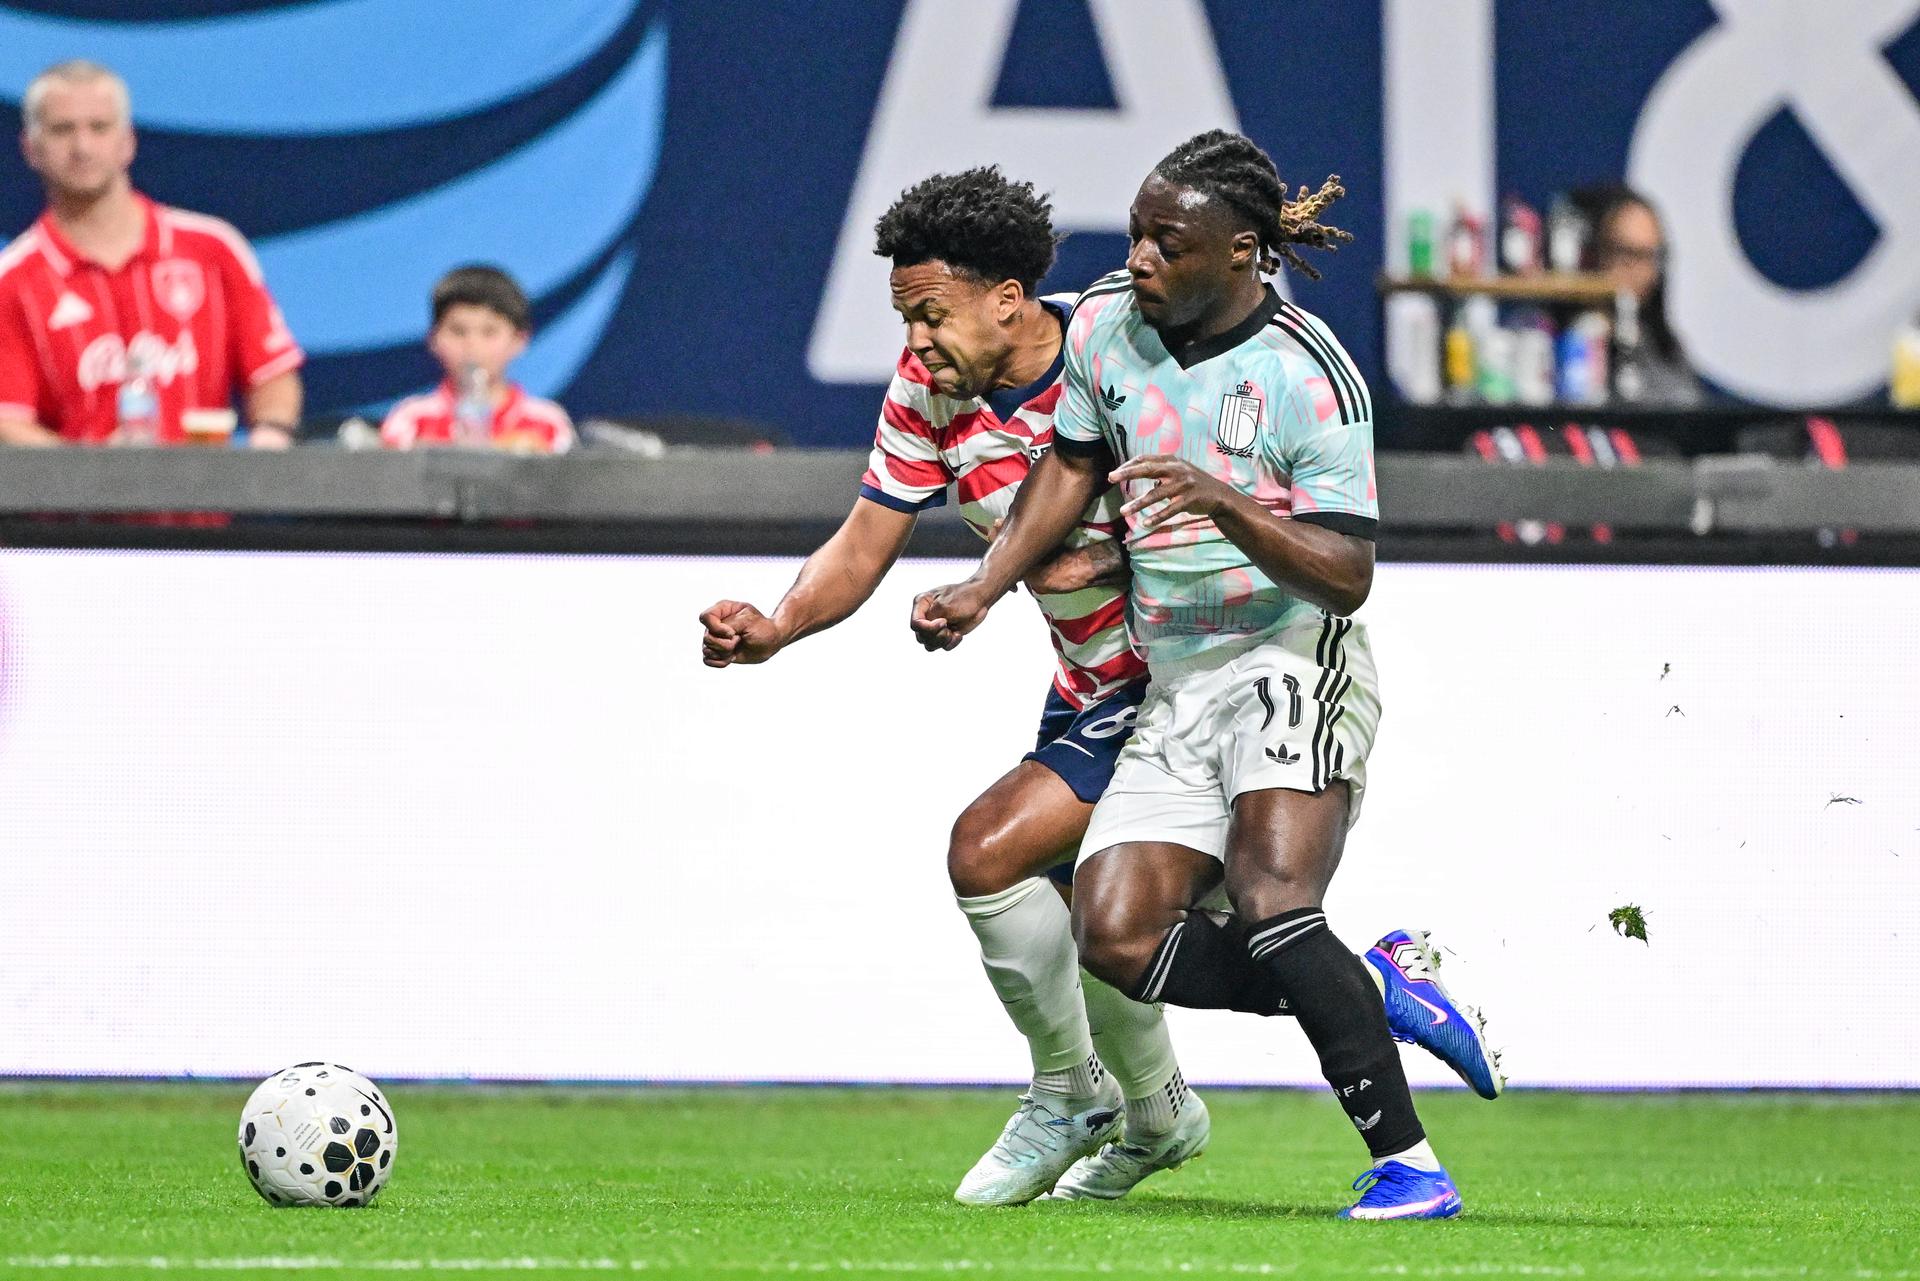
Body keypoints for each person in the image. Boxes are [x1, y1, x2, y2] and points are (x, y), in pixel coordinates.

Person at [703, 167, 1495, 1207]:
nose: (917, 344)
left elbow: (1212, 480)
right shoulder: (929, 395)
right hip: (1098, 684)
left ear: (1007, 298)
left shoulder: (1120, 337)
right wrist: (780, 625)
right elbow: (866, 537)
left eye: (932, 315)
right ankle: (1176, 1093)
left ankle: (1082, 1094)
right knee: (1108, 924)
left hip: (1194, 670)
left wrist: (1090, 557)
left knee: (997, 851)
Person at [0, 60, 301, 447]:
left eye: (99, 127)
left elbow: (272, 374)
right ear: (30, 149)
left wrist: (270, 440)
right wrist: (96, 479)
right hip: (78, 508)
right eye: (62, 130)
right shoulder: (14, 282)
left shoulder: (213, 249)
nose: (82, 147)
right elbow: (8, 422)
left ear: (128, 142)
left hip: (209, 503)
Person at [379, 266, 575, 453]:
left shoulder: (549, 423)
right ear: (433, 339)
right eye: (458, 331)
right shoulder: (411, 419)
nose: (472, 346)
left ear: (519, 340)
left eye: (489, 332)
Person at [1575, 183, 1703, 407]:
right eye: (1627, 253)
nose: (1640, 271)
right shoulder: (1565, 341)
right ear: (1596, 254)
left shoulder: (1665, 348)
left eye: (1650, 256)